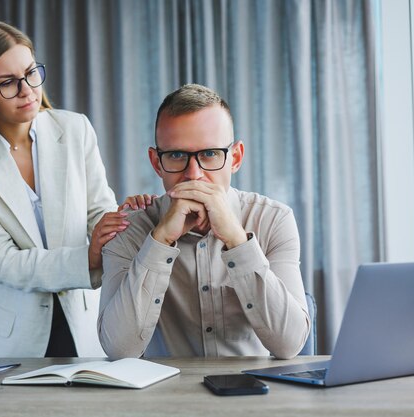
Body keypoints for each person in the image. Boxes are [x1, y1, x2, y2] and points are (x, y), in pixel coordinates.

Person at [0, 21, 151, 358]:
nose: (27, 90)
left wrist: (120, 222)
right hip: (15, 335)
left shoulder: (75, 129)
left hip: (83, 319)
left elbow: (98, 212)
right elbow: (1, 262)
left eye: (30, 73)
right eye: (7, 83)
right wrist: (88, 256)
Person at [98, 84, 310, 359]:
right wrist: (159, 241)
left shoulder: (273, 220)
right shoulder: (129, 228)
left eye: (210, 154)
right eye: (176, 156)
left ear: (235, 158)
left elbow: (290, 345)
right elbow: (118, 350)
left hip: (254, 394)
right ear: (156, 162)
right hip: (164, 395)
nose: (194, 174)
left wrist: (236, 240)